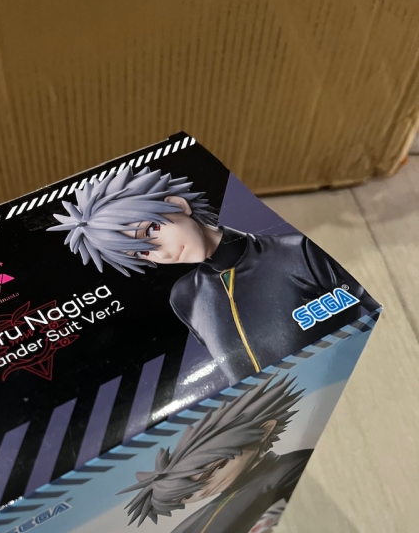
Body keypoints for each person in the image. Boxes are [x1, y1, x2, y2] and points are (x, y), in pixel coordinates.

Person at [48, 166, 379, 388]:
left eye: (151, 230)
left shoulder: (298, 252)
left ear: (177, 205)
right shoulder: (185, 297)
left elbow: (370, 319)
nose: (162, 252)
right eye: (142, 253)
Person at [119, 375, 312, 533]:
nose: (202, 491)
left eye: (214, 469)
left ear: (265, 430)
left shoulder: (294, 467)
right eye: (186, 497)